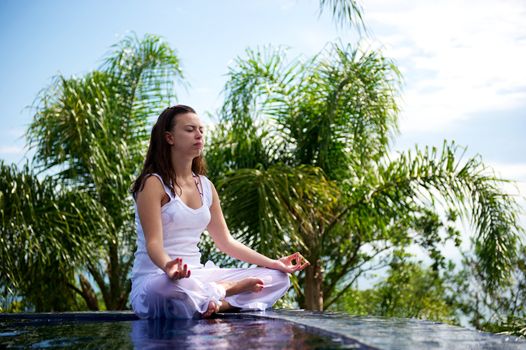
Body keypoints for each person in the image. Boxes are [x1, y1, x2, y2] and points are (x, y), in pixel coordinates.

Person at [130, 105, 309, 319]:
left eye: (201, 130)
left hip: (197, 277)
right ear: (169, 138)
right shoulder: (153, 183)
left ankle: (217, 304)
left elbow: (225, 242)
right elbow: (153, 244)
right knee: (169, 289)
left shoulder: (206, 186)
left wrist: (274, 263)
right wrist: (169, 267)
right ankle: (227, 289)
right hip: (158, 278)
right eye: (189, 130)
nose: (199, 135)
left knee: (278, 278)